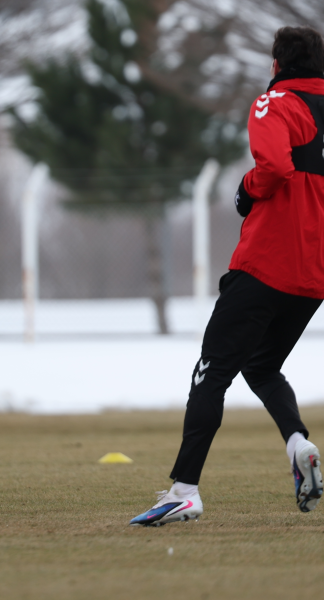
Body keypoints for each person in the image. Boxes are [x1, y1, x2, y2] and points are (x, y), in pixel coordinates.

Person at [131, 26, 324, 526]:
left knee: (211, 372)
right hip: (313, 276)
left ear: (276, 65)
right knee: (260, 367)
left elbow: (276, 167)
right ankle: (298, 443)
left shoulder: (274, 103)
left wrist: (245, 188)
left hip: (266, 264)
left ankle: (184, 490)